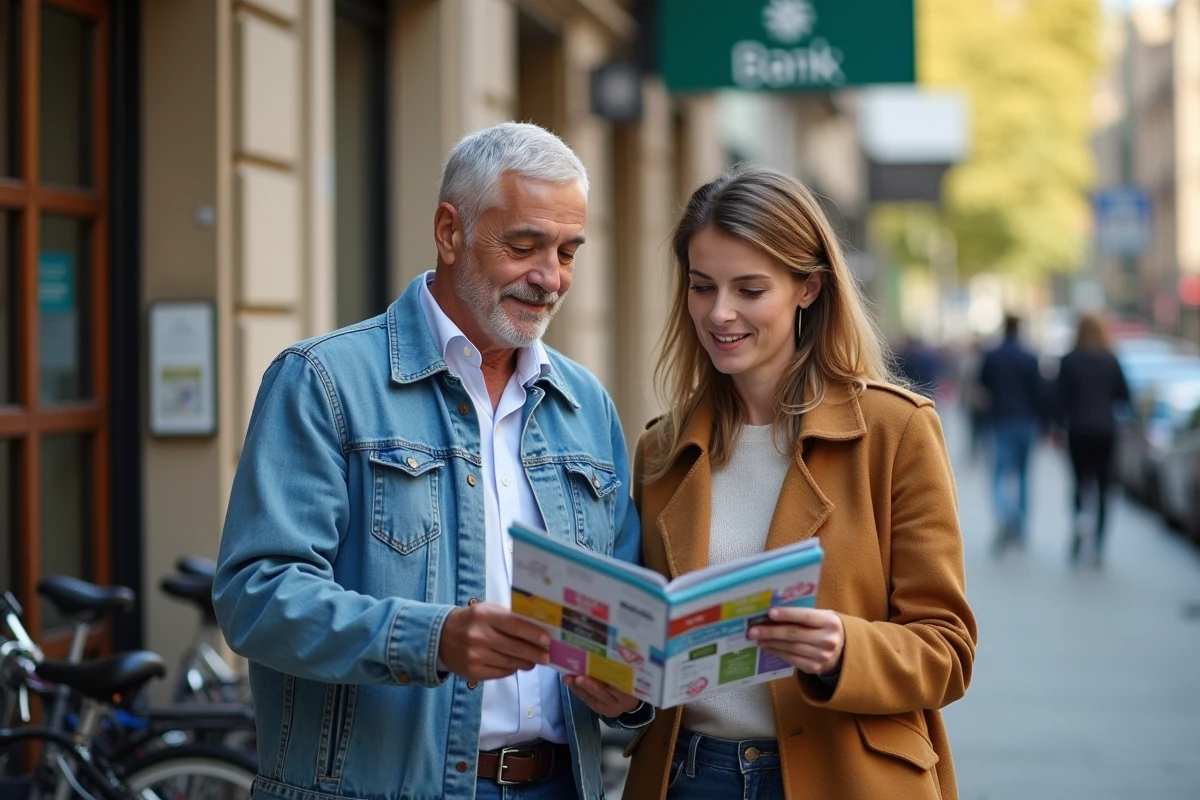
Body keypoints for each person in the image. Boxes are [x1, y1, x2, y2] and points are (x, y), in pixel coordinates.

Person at [213, 122, 651, 800]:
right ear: (450, 232)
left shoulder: (584, 403)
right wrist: (433, 638)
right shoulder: (324, 381)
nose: (550, 277)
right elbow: (256, 596)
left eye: (568, 251)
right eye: (524, 245)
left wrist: (631, 690)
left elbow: (619, 609)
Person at [620, 165, 977, 800]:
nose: (719, 313)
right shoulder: (662, 448)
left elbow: (947, 650)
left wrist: (845, 646)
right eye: (703, 287)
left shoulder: (896, 431)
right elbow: (648, 649)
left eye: (749, 289)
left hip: (846, 774)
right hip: (690, 776)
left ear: (808, 288)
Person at [1055, 313, 1130, 565]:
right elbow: (1124, 396)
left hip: (1077, 430)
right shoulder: (1110, 360)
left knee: (1079, 482)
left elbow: (1058, 397)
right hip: (1105, 431)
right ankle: (1098, 542)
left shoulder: (1069, 360)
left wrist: (1055, 426)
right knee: (1103, 486)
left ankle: (1079, 522)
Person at [979, 314, 1045, 552]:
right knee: (1024, 476)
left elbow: (983, 384)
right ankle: (1021, 526)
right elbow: (1039, 391)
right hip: (1026, 421)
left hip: (999, 420)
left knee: (998, 474)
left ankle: (1006, 516)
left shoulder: (992, 356)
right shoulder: (1029, 357)